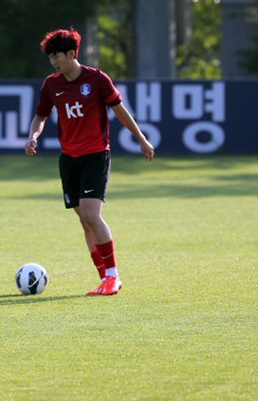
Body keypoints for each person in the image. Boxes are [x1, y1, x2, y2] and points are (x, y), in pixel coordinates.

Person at [25, 28, 155, 296]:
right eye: (50, 57)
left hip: (96, 155)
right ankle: (104, 278)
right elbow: (41, 116)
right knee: (84, 221)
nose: (53, 62)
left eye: (56, 56)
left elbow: (120, 110)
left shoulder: (96, 79)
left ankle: (113, 275)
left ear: (72, 54)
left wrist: (142, 139)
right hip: (68, 158)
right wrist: (32, 137)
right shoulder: (52, 84)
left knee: (91, 215)